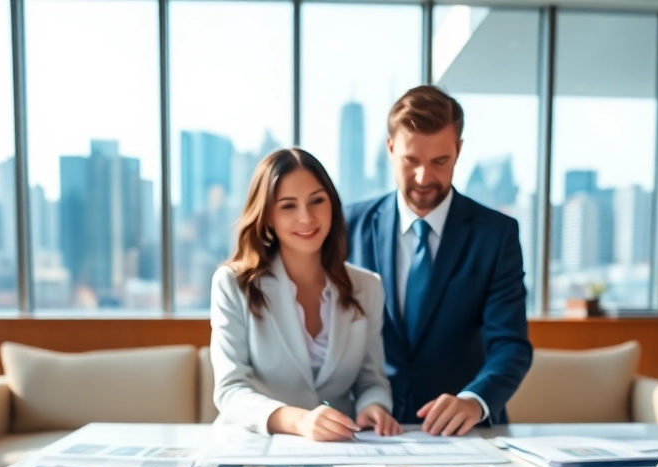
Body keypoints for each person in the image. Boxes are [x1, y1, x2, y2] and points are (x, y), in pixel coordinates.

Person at [346, 85, 533, 435]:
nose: (424, 178)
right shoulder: (347, 227)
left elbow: (510, 344)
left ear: (458, 150)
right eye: (411, 160)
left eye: (439, 161)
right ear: (390, 149)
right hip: (367, 430)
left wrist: (475, 400)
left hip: (464, 433)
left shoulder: (496, 235)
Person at [210, 148, 402, 441]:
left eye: (317, 201)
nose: (307, 217)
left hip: (339, 448)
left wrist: (373, 406)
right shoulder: (233, 284)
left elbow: (371, 381)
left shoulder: (367, 287)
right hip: (254, 446)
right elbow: (230, 389)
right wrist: (297, 421)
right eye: (288, 206)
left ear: (332, 205)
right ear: (268, 216)